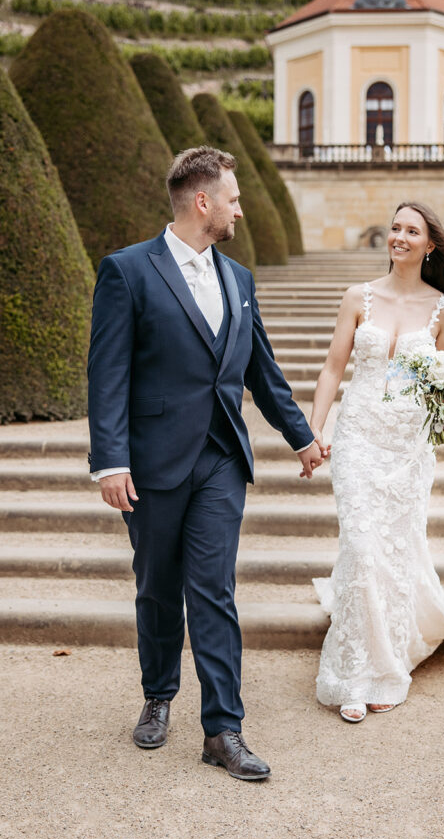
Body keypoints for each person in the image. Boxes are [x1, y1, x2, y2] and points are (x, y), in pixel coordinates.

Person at [87, 146, 324, 778]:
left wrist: (300, 437)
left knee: (214, 590)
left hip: (221, 457)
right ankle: (158, 695)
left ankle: (223, 729)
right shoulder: (127, 272)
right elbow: (106, 375)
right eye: (234, 199)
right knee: (158, 587)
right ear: (203, 202)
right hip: (154, 461)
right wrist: (110, 461)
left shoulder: (240, 279)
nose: (240, 209)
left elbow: (261, 371)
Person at [310, 201, 444, 722]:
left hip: (407, 447)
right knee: (360, 542)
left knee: (392, 552)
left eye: (410, 230)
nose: (399, 236)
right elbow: (334, 368)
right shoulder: (359, 297)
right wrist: (315, 428)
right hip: (358, 438)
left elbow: (443, 380)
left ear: (430, 245)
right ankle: (355, 671)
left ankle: (386, 663)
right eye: (395, 227)